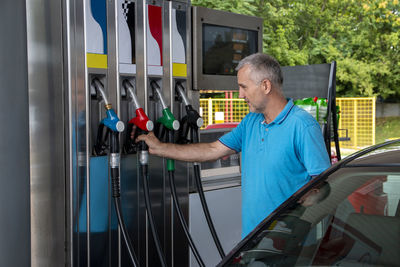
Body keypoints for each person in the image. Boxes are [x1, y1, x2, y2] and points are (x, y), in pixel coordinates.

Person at [135, 53, 331, 238]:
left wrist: (293, 216)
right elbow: (213, 149)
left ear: (265, 85)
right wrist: (161, 148)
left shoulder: (302, 125)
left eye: (244, 87)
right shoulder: (251, 122)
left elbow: (323, 185)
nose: (240, 95)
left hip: (290, 244)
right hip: (253, 240)